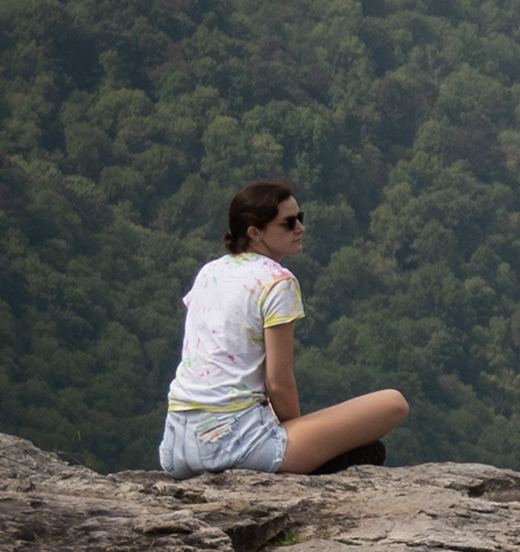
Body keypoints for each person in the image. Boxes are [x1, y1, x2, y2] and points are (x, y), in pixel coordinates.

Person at [157, 179, 411, 477]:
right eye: (289, 223)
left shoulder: (210, 271)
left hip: (176, 447)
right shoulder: (278, 281)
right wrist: (297, 435)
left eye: (299, 218)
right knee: (394, 403)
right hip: (234, 446)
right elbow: (278, 381)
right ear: (255, 232)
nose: (300, 228)